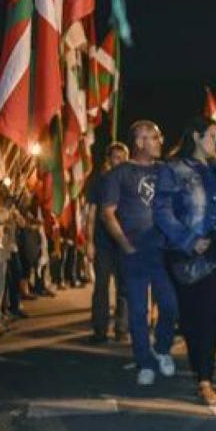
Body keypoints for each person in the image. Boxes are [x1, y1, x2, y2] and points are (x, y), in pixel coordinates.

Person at [155, 116, 216, 405]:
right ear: (197, 137)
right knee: (194, 319)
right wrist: (189, 240)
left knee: (215, 316)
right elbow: (162, 212)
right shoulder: (173, 169)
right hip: (187, 256)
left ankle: (206, 377)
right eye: (212, 136)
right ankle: (202, 376)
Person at [101, 121, 178, 386]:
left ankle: (162, 349)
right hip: (134, 251)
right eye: (154, 137)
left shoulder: (165, 170)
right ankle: (144, 361)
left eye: (158, 136)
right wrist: (124, 244)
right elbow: (107, 212)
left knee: (170, 304)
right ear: (140, 142)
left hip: (162, 250)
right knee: (137, 310)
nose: (159, 141)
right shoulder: (120, 173)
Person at [86, 142, 129, 344]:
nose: (119, 161)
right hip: (103, 242)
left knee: (124, 287)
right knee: (101, 287)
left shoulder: (130, 183)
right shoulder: (99, 182)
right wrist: (89, 242)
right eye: (116, 157)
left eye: (123, 158)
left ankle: (122, 328)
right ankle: (100, 329)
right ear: (109, 159)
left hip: (124, 242)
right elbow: (92, 213)